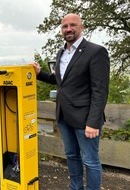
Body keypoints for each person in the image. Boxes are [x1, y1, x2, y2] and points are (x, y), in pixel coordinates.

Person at [31, 13, 110, 190]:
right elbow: (60, 80)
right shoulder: (61, 52)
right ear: (61, 30)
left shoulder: (96, 51)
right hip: (64, 116)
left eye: (73, 25)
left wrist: (93, 122)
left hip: (85, 120)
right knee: (72, 156)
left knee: (90, 161)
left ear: (81, 27)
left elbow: (100, 90)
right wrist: (40, 74)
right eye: (65, 26)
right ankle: (75, 187)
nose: (68, 29)